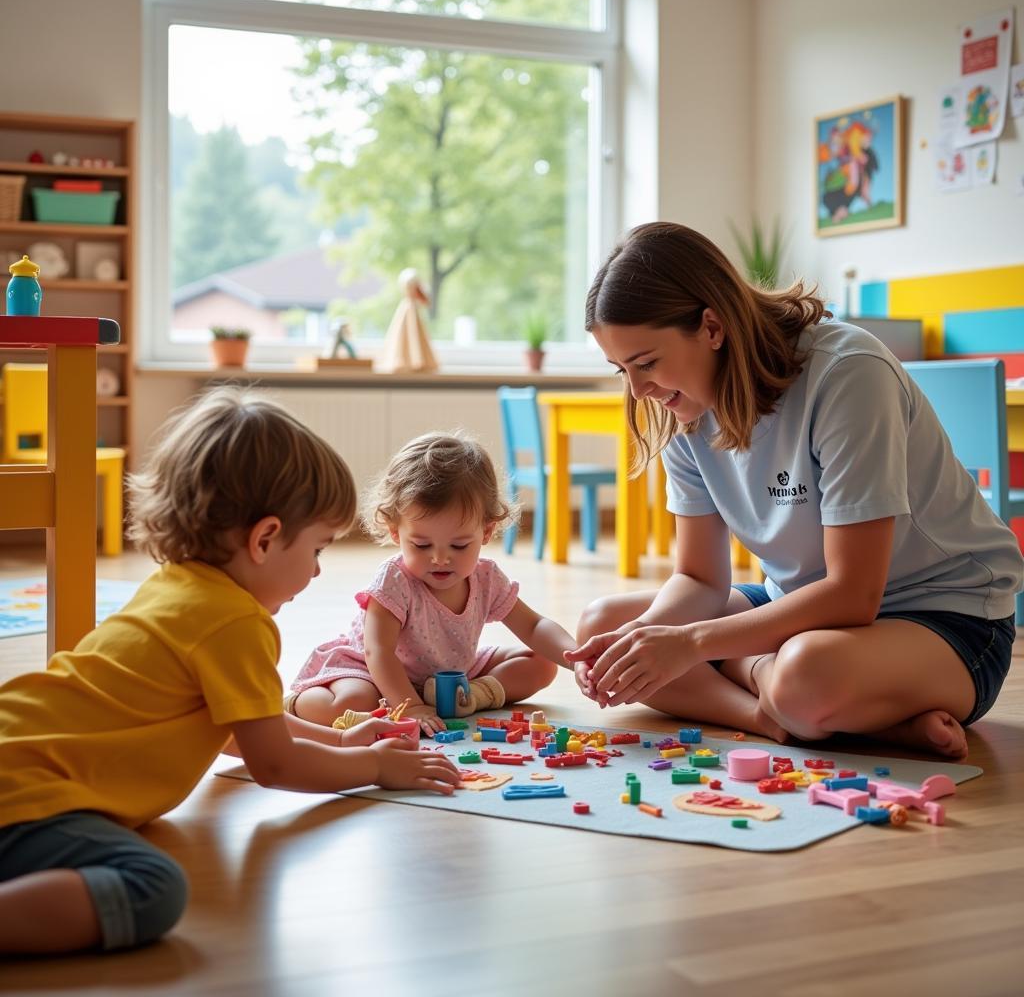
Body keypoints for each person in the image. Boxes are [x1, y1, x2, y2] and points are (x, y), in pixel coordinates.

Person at [0, 387, 459, 956]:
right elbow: (271, 761)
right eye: (317, 550)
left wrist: (339, 736)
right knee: (152, 888)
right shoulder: (235, 624)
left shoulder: (176, 587)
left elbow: (244, 729)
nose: (318, 572)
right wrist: (371, 765)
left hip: (15, 753)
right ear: (265, 539)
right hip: (27, 796)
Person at [566, 222, 1022, 761]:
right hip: (801, 608)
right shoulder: (681, 409)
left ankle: (786, 690)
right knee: (606, 628)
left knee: (804, 673)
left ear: (711, 327)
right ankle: (774, 715)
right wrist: (644, 638)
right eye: (622, 369)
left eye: (646, 363)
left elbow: (854, 593)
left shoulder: (849, 374)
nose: (638, 390)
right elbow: (699, 578)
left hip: (946, 618)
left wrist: (693, 645)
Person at [288, 431, 574, 736]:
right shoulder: (394, 580)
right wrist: (409, 706)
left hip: (447, 677)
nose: (440, 559)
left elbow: (532, 627)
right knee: (354, 701)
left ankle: (471, 698)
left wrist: (578, 655)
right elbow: (378, 652)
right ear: (396, 532)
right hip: (373, 673)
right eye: (422, 546)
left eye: (460, 545)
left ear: (487, 532)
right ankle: (292, 707)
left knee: (541, 664)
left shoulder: (486, 577)